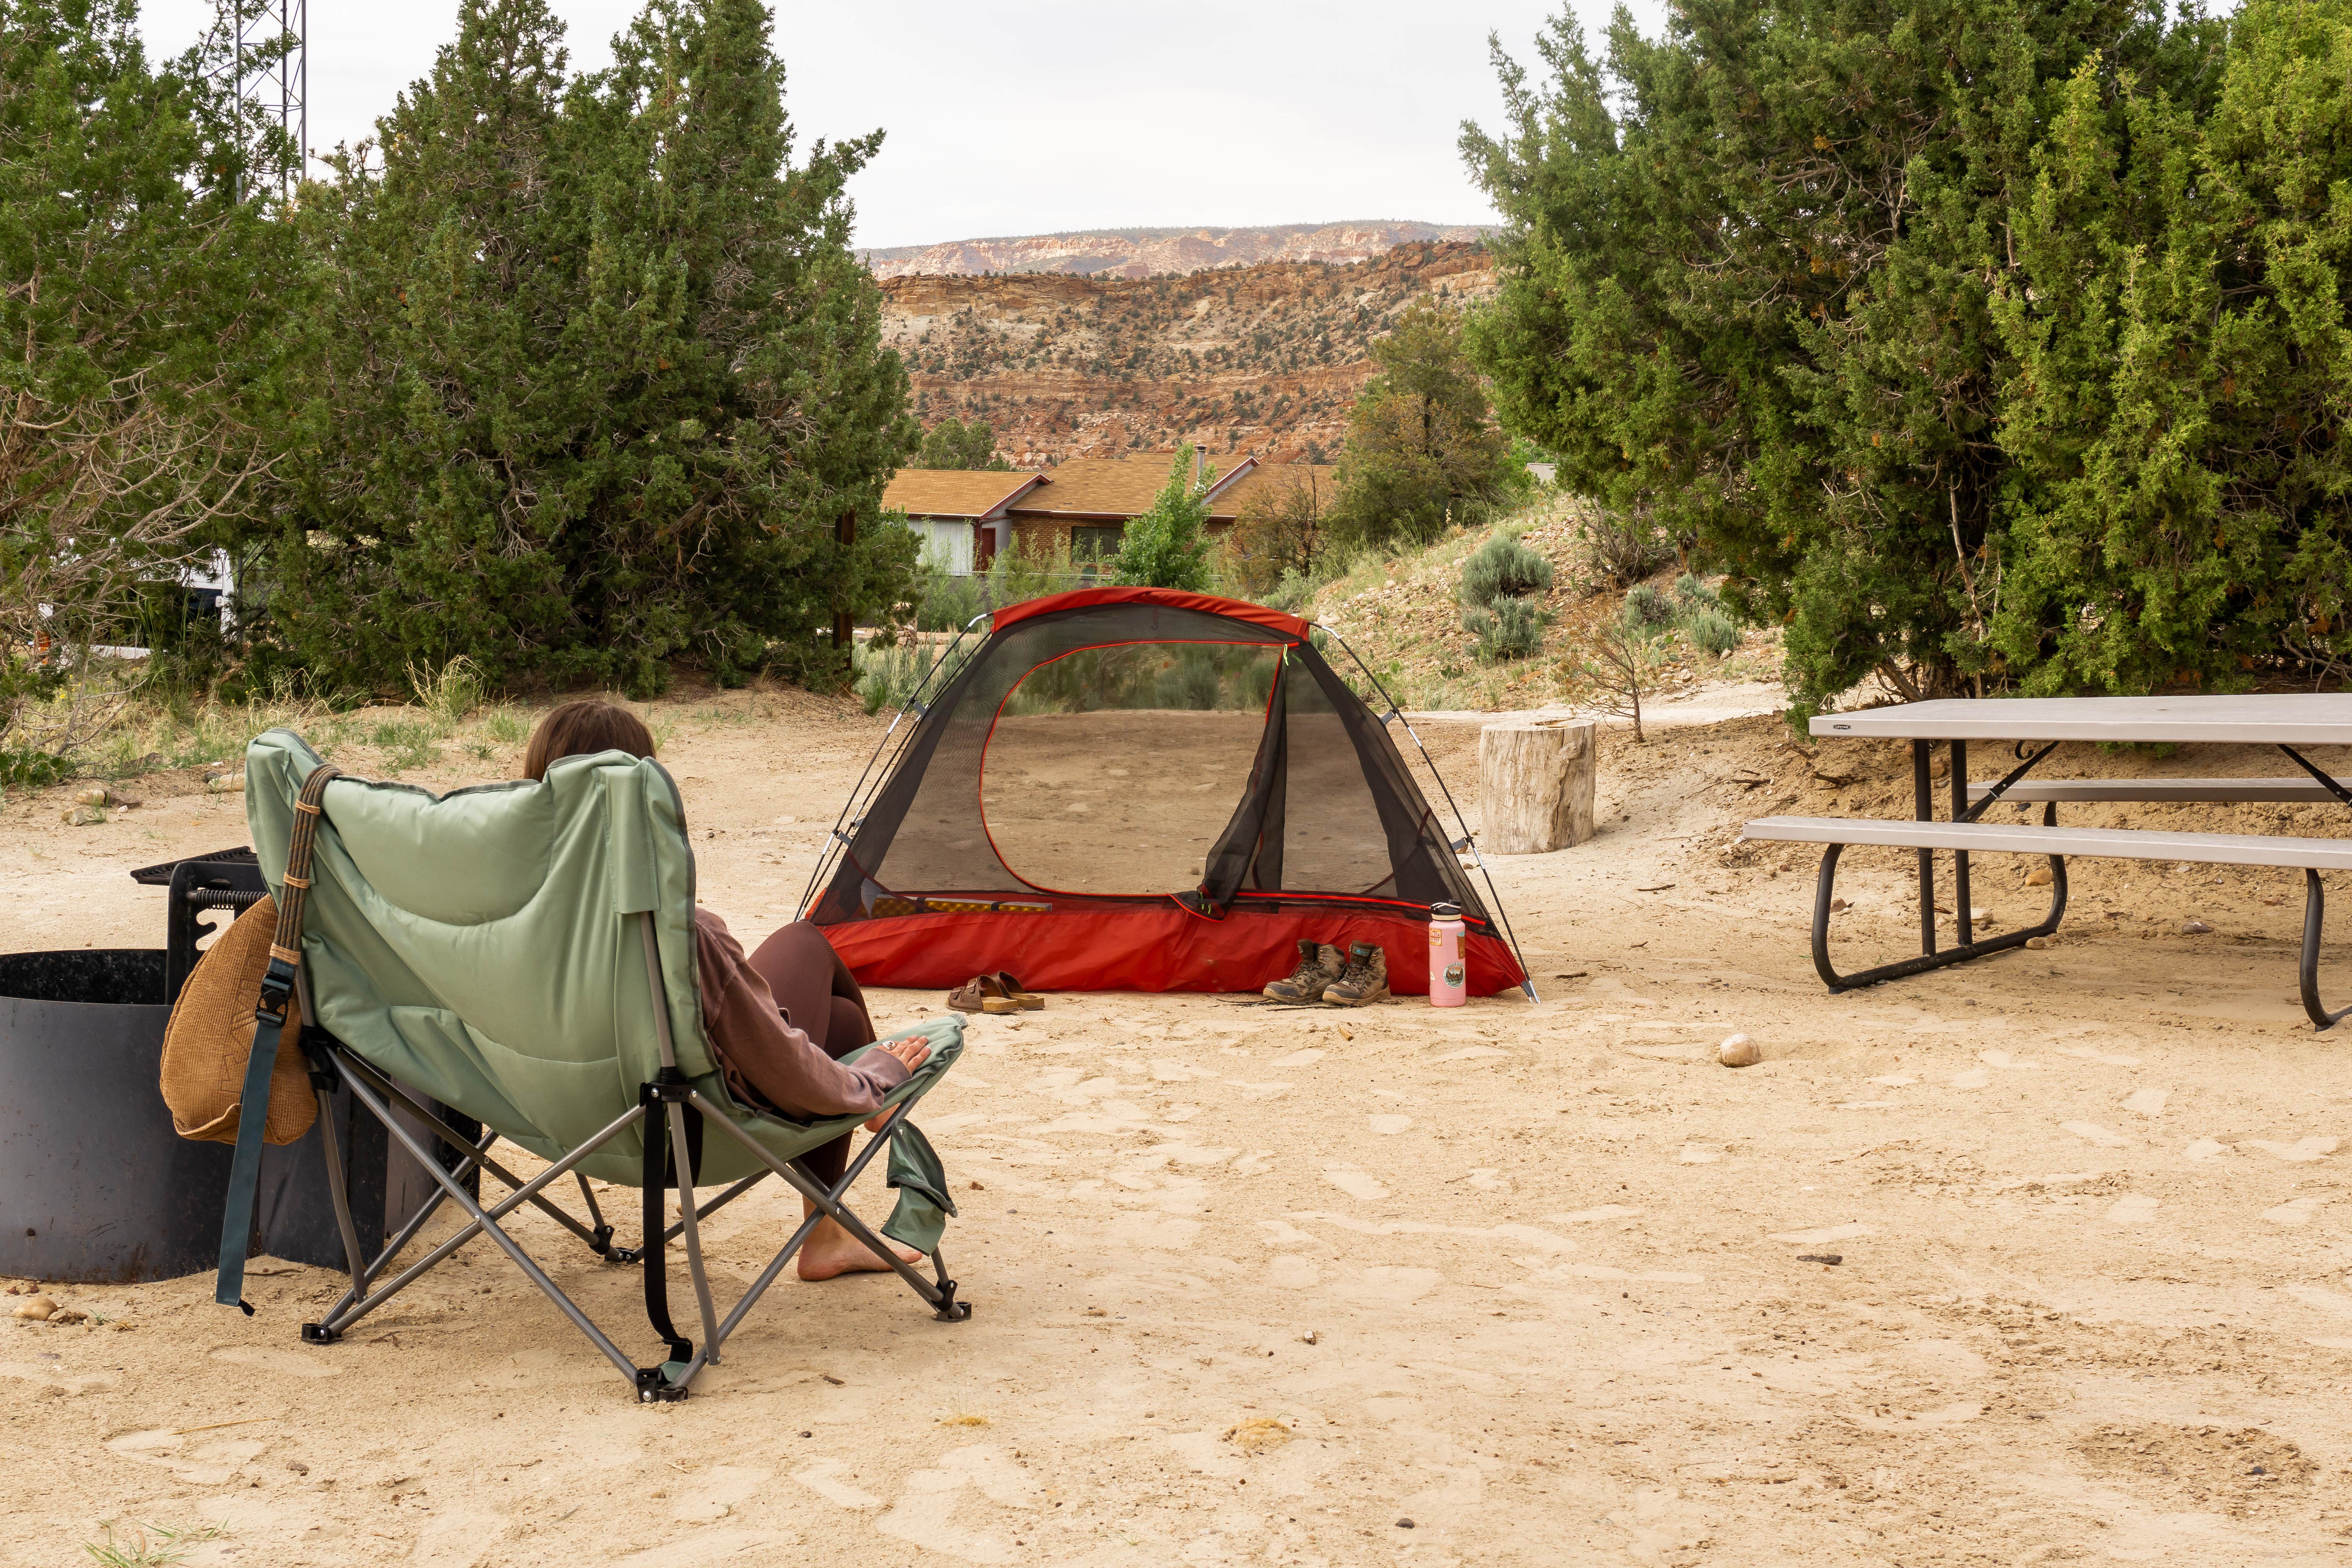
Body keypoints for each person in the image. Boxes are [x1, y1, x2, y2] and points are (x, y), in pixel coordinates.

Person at [522, 699, 928, 1281]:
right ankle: (860, 1141)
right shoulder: (677, 932)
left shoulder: (500, 919)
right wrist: (873, 1079)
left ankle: (828, 1233)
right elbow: (781, 1063)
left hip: (557, 1116)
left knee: (839, 1021)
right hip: (686, 1126)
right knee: (805, 943)